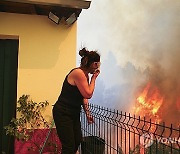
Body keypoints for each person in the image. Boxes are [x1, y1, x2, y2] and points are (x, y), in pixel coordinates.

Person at [52, 47, 101, 154]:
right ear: (94, 64)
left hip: (73, 113)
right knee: (69, 146)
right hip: (63, 112)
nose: (98, 67)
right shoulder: (78, 73)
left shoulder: (84, 75)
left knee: (77, 140)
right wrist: (94, 79)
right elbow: (88, 94)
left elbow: (83, 96)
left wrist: (88, 114)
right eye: (98, 64)